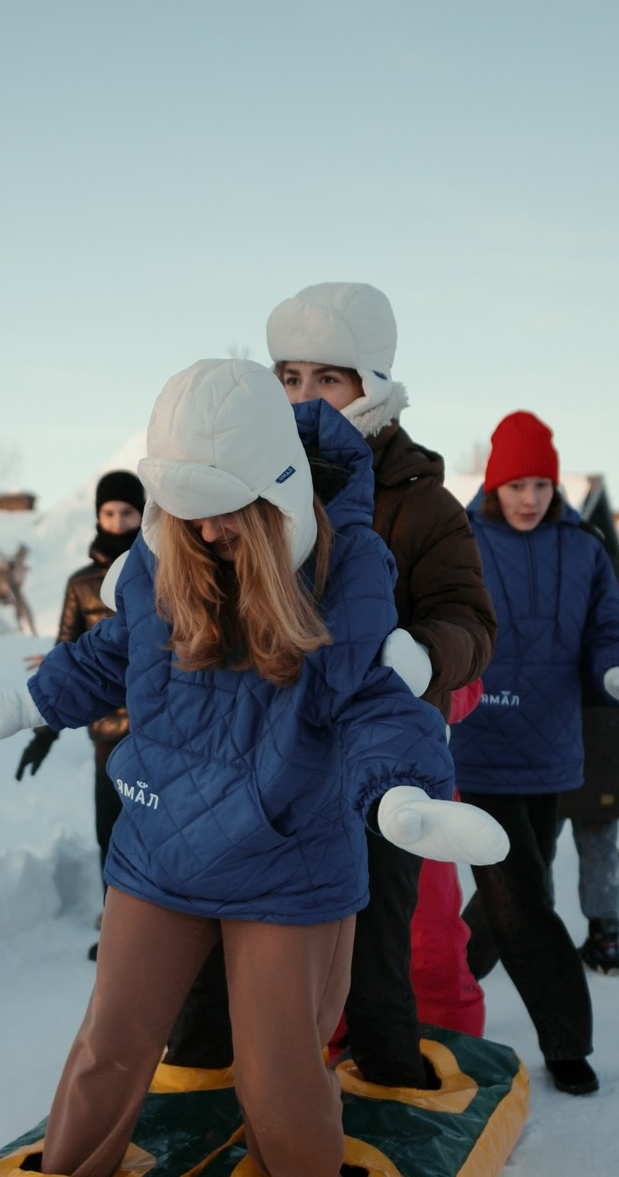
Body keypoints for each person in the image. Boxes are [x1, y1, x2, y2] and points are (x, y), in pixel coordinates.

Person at [0, 359, 507, 1177]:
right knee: (110, 1046)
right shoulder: (168, 563)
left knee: (275, 1072)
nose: (203, 533)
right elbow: (112, 653)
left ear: (274, 495)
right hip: (161, 852)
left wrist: (404, 795)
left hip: (289, 865)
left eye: (222, 511)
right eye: (184, 512)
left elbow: (376, 700)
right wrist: (29, 702)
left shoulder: (347, 575)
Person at [165, 281, 499, 1086]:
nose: (306, 396)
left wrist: (422, 651)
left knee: (382, 926)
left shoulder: (424, 506)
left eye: (329, 378)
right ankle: (203, 1076)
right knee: (223, 917)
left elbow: (471, 621)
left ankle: (387, 1079)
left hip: (373, 752)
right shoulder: (253, 481)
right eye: (289, 377)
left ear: (372, 387)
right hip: (265, 749)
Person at [451, 411, 619, 1097]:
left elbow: (609, 628)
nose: (528, 498)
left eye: (540, 484)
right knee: (524, 900)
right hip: (477, 748)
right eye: (516, 484)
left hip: (552, 752)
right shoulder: (462, 541)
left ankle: (440, 983)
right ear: (494, 484)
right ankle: (568, 1040)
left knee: (511, 897)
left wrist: (618, 668)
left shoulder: (583, 549)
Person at [17, 471, 145, 956]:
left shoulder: (160, 569)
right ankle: (115, 930)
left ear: (141, 514)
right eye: (109, 513)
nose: (117, 522)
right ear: (97, 515)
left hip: (156, 729)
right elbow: (64, 660)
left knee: (152, 831)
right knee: (108, 833)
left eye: (127, 513)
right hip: (106, 732)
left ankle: (149, 931)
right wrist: (44, 732)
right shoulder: (80, 584)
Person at [555, 532, 619, 975]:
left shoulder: (563, 575)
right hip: (612, 731)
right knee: (599, 843)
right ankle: (606, 938)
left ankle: (522, 940)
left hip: (558, 729)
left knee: (534, 844)